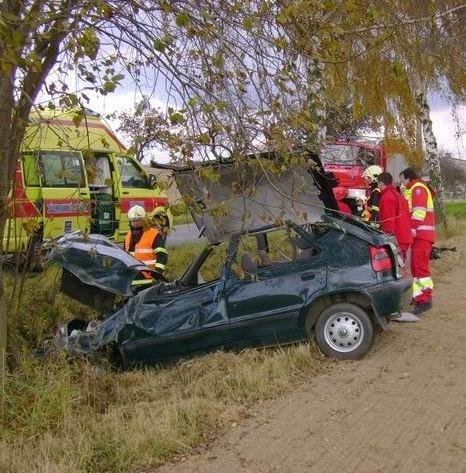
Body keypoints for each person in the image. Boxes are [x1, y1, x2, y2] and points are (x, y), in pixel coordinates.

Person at [400, 167, 436, 315]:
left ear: (409, 178)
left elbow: (419, 211)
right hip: (421, 235)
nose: (402, 182)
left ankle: (425, 300)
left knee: (420, 269)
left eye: (403, 179)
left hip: (421, 234)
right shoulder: (415, 188)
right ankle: (419, 297)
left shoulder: (418, 189)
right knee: (416, 268)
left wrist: (412, 228)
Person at [124, 205, 168, 285]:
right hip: (133, 282)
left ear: (144, 220)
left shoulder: (153, 234)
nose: (136, 222)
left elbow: (162, 255)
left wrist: (157, 274)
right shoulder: (127, 237)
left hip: (151, 281)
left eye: (139, 220)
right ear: (130, 221)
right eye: (133, 220)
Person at [377, 172, 413, 261]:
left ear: (381, 183)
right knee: (400, 266)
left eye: (378, 183)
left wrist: (387, 241)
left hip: (397, 240)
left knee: (394, 269)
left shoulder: (387, 198)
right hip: (404, 237)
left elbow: (388, 223)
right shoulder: (398, 195)